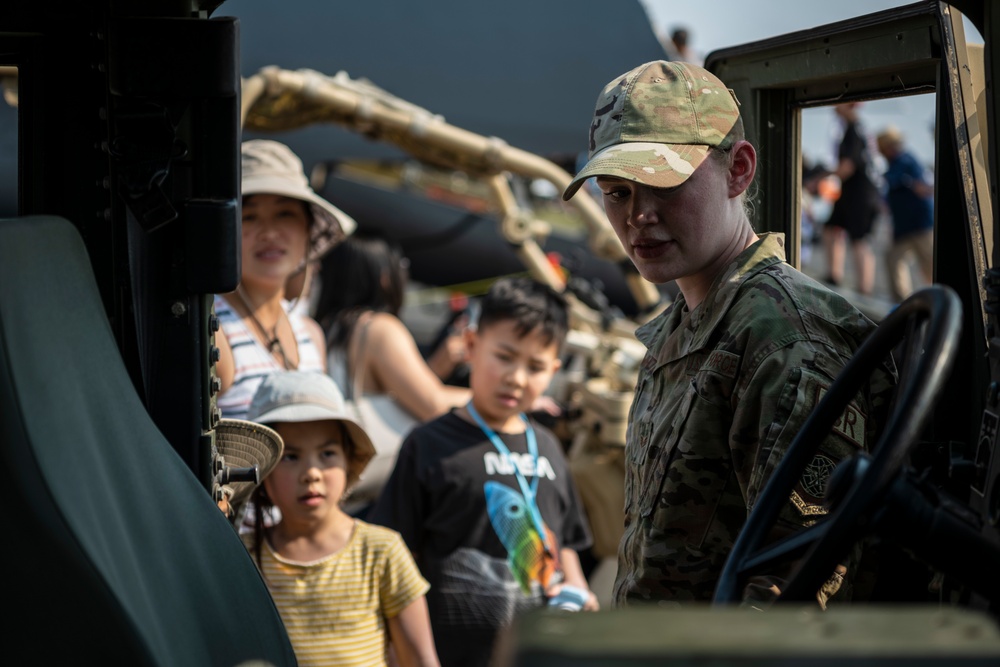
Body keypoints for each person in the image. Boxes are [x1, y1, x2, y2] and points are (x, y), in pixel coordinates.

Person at [561, 61, 896, 606]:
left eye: (663, 184)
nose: (638, 215)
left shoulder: (786, 341)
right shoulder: (688, 324)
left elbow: (796, 592)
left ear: (738, 170)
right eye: (617, 192)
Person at [370, 277, 596, 667]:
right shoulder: (428, 444)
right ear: (472, 346)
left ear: (555, 370)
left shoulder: (548, 446)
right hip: (447, 655)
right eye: (504, 356)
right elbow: (396, 556)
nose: (517, 377)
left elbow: (568, 540)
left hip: (533, 653)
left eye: (536, 366)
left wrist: (576, 588)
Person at [243, 371, 440, 667]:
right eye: (291, 457)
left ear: (348, 461)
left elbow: (420, 659)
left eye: (327, 453)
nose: (312, 473)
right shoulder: (244, 558)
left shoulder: (381, 550)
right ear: (263, 469)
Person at [314, 235, 472, 511]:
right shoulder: (379, 328)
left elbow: (390, 391)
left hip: (334, 482)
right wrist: (510, 401)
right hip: (369, 497)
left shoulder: (324, 326)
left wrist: (438, 363)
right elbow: (432, 405)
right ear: (384, 277)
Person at [215, 139, 356, 420]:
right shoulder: (214, 332)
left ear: (309, 230)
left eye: (284, 214)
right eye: (249, 216)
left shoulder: (310, 334)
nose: (269, 232)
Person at [822, 103, 883, 295]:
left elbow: (847, 166)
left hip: (861, 194)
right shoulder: (856, 129)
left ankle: (864, 289)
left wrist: (824, 178)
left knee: (859, 239)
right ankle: (834, 275)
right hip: (851, 193)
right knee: (831, 228)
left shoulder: (854, 130)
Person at [876, 127, 934, 301]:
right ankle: (903, 303)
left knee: (930, 264)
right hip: (904, 227)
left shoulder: (905, 160)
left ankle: (940, 300)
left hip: (920, 224)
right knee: (893, 259)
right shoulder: (896, 163)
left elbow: (915, 185)